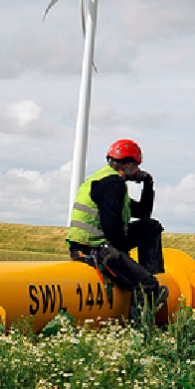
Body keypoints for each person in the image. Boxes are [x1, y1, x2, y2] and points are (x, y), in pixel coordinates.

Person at [67, 138, 169, 322]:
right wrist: (125, 258)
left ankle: (150, 273)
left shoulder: (104, 180)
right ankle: (138, 330)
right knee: (146, 284)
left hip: (92, 243)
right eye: (137, 166)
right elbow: (112, 228)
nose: (139, 170)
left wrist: (148, 183)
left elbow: (143, 213)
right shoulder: (113, 184)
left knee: (151, 227)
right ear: (129, 164)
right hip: (95, 248)